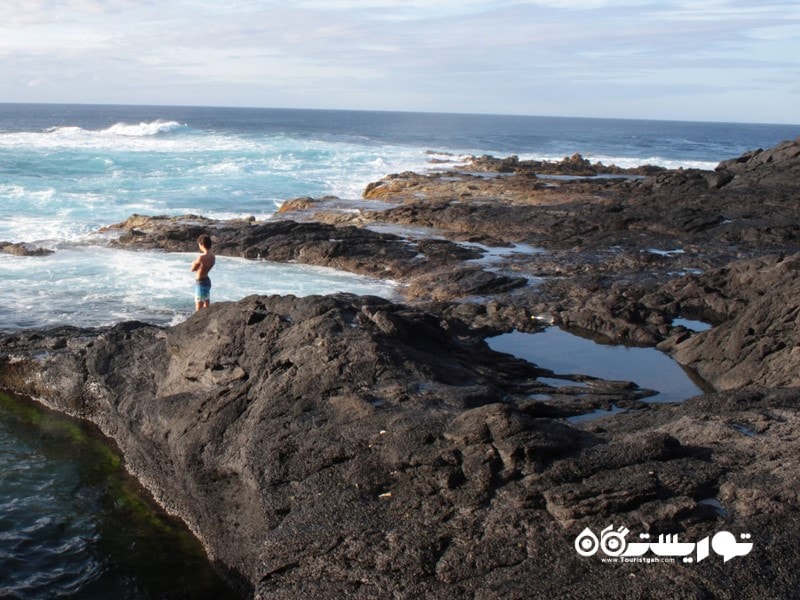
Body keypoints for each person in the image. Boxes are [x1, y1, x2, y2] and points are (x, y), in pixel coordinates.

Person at [191, 234, 216, 310]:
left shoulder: (201, 257)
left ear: (201, 244)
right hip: (207, 281)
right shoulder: (213, 257)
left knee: (199, 309)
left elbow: (192, 269)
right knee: (206, 306)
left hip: (200, 283)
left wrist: (193, 263)